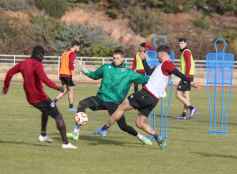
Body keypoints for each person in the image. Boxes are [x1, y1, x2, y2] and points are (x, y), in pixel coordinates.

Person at [100, 45, 191, 148]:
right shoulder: (161, 66)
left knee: (121, 107)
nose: (157, 57)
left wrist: (188, 80)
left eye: (158, 55)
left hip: (146, 94)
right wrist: (143, 61)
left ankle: (104, 129)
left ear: (162, 54)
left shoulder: (167, 64)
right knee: (139, 123)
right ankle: (158, 138)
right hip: (154, 100)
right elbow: (148, 72)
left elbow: (176, 72)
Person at [67, 49, 152, 145]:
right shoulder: (106, 67)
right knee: (82, 104)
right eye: (114, 58)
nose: (115, 60)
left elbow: (146, 79)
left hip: (115, 104)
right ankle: (76, 132)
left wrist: (160, 78)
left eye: (118, 58)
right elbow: (94, 75)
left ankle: (141, 137)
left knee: (123, 126)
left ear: (123, 59)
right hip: (101, 99)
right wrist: (83, 69)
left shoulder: (129, 73)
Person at [2, 45, 77, 149]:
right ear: (40, 55)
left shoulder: (23, 63)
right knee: (58, 116)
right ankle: (66, 143)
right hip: (40, 98)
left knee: (45, 111)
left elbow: (9, 73)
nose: (43, 58)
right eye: (43, 56)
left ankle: (43, 135)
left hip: (30, 98)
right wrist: (57, 88)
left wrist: (6, 88)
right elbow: (45, 79)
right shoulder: (37, 65)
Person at [53, 41, 80, 112]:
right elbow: (70, 64)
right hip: (68, 74)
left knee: (65, 90)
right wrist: (73, 74)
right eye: (78, 47)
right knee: (71, 90)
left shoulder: (64, 53)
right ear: (75, 46)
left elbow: (61, 64)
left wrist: (59, 75)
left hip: (62, 74)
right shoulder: (72, 54)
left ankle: (53, 102)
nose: (79, 48)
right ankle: (71, 108)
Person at [176, 38, 197, 120]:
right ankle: (184, 114)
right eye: (179, 43)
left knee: (178, 94)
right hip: (189, 75)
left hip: (186, 75)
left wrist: (186, 77)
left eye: (182, 43)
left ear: (186, 44)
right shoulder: (185, 52)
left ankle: (192, 108)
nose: (180, 44)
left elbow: (188, 64)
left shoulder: (186, 52)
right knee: (186, 95)